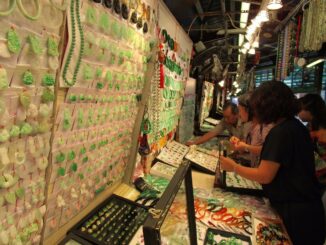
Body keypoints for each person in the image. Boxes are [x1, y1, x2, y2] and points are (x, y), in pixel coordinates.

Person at [220, 81, 325, 245]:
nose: (255, 111)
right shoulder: (294, 126)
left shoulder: (281, 131)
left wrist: (233, 167)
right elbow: (275, 156)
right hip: (307, 210)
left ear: (267, 106)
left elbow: (264, 175)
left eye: (257, 106)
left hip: (296, 216)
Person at [231, 93, 274, 167]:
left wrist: (246, 147)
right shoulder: (250, 125)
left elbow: (270, 150)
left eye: (240, 110)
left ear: (248, 110)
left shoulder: (265, 126)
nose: (239, 115)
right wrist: (239, 144)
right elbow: (245, 149)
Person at [186, 102, 251, 146]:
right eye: (224, 116)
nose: (225, 119)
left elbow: (245, 143)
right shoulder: (224, 121)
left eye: (228, 117)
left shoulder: (245, 122)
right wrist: (194, 143)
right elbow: (212, 133)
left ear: (236, 114)